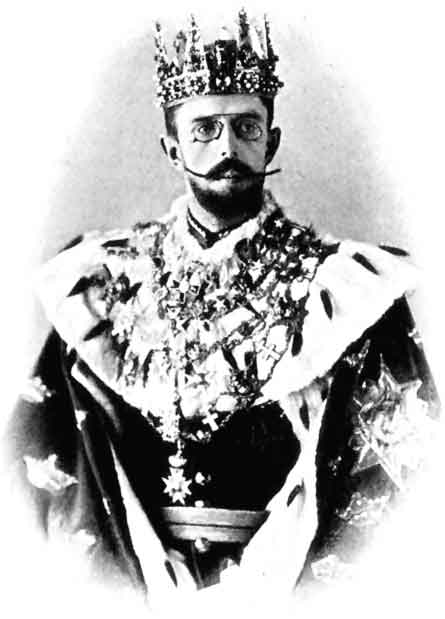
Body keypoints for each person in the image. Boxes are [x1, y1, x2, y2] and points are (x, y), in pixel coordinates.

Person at [3, 8, 439, 614]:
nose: (228, 147)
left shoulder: (346, 292)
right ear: (172, 147)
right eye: (205, 128)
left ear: (271, 141)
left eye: (246, 127)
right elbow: (39, 466)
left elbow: (406, 475)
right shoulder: (103, 284)